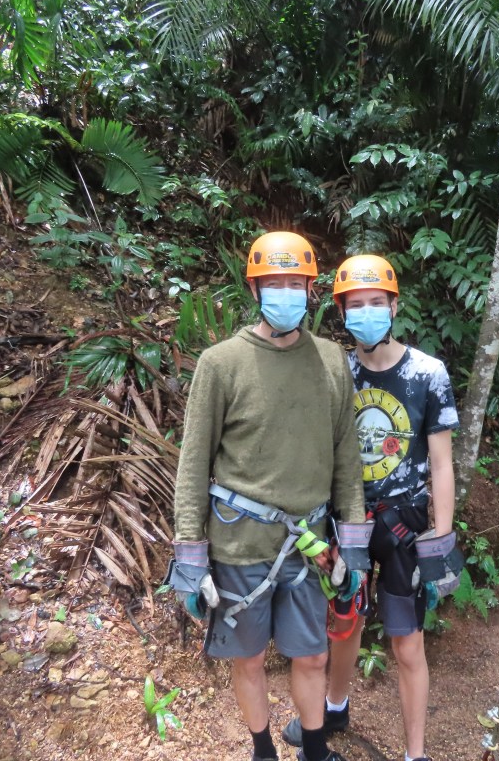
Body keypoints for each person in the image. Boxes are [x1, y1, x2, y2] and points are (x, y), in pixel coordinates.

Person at [168, 231, 371, 761]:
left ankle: (316, 751)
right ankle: (263, 751)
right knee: (251, 658)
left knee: (311, 658)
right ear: (255, 290)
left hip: (308, 546)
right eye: (274, 283)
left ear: (312, 289)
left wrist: (353, 545)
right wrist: (190, 557)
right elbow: (193, 464)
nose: (287, 292)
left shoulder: (331, 362)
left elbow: (347, 459)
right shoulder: (221, 363)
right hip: (239, 545)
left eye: (296, 283)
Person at [282, 254, 463, 761]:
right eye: (355, 304)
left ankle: (415, 753)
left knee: (407, 642)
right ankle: (334, 707)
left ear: (393, 305)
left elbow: (443, 463)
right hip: (348, 520)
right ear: (341, 311)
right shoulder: (336, 371)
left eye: (375, 303)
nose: (366, 312)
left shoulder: (428, 374)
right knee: (344, 622)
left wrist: (440, 538)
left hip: (405, 523)